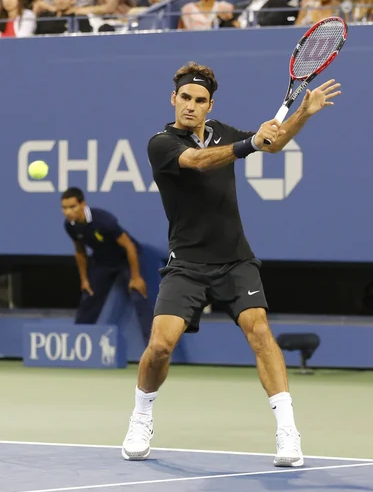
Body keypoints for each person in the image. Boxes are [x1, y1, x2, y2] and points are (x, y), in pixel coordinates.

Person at [121, 61, 341, 465]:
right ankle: (141, 416)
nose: (190, 105)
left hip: (235, 260)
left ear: (210, 105)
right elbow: (201, 162)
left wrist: (300, 117)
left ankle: (287, 431)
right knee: (159, 347)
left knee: (260, 332)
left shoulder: (221, 130)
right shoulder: (161, 143)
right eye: (184, 98)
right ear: (173, 99)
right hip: (186, 264)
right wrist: (251, 144)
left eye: (199, 100)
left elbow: (272, 144)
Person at [61, 187, 151, 339]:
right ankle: (77, 342)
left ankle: (154, 346)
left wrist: (135, 277)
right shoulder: (70, 225)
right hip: (103, 261)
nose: (68, 212)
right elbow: (80, 251)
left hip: (124, 259)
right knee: (89, 295)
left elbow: (129, 246)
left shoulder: (103, 220)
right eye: (64, 208)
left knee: (138, 294)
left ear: (83, 205)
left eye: (72, 207)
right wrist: (84, 280)